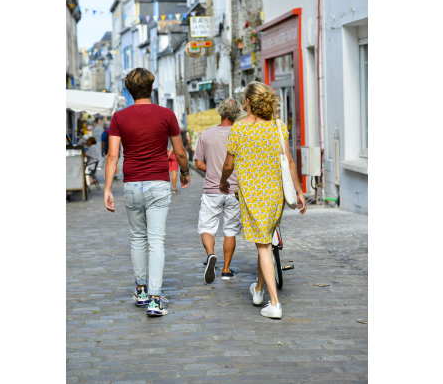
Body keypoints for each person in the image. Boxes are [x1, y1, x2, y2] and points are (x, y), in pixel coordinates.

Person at [104, 68, 190, 318]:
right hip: (159, 184)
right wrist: (184, 172)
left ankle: (141, 291)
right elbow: (180, 151)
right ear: (151, 88)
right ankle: (155, 298)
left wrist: (108, 189)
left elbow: (112, 156)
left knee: (137, 238)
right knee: (156, 240)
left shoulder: (119, 118)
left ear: (129, 91)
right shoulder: (167, 115)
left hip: (132, 185)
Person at [220, 82, 307, 319]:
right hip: (274, 196)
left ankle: (275, 304)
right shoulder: (277, 127)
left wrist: (223, 181)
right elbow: (289, 162)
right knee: (264, 241)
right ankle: (258, 290)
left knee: (264, 246)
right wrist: (299, 192)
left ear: (247, 102)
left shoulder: (239, 129)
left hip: (251, 195)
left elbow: (228, 164)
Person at [194, 98, 242, 284]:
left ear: (220, 112)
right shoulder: (241, 133)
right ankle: (226, 269)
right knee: (230, 230)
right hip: (235, 191)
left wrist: (213, 169)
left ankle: (211, 254)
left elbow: (198, 163)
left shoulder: (206, 135)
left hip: (212, 190)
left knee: (207, 227)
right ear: (237, 113)